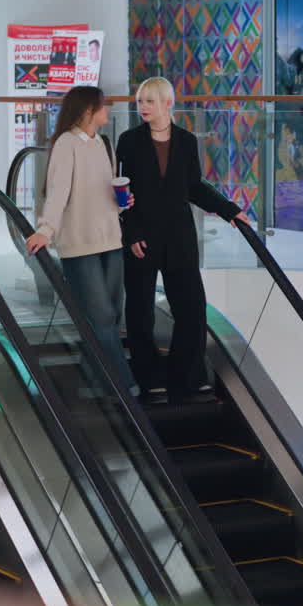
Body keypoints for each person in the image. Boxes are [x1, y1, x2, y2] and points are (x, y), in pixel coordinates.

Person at [118, 77, 248, 401]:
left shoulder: (187, 141)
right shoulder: (128, 141)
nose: (143, 107)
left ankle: (185, 376)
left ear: (167, 104)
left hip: (179, 239)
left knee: (191, 310)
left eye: (150, 101)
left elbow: (194, 187)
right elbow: (121, 192)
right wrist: (130, 233)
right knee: (140, 313)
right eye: (140, 101)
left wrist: (229, 210)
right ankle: (148, 377)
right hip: (141, 240)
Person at [25, 85, 139, 396]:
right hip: (79, 244)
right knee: (100, 316)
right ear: (88, 110)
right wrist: (45, 230)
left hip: (110, 241)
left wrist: (122, 201)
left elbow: (105, 191)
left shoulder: (103, 143)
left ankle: (93, 379)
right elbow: (58, 191)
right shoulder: (66, 144)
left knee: (112, 314)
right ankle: (122, 384)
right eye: (103, 106)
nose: (108, 110)